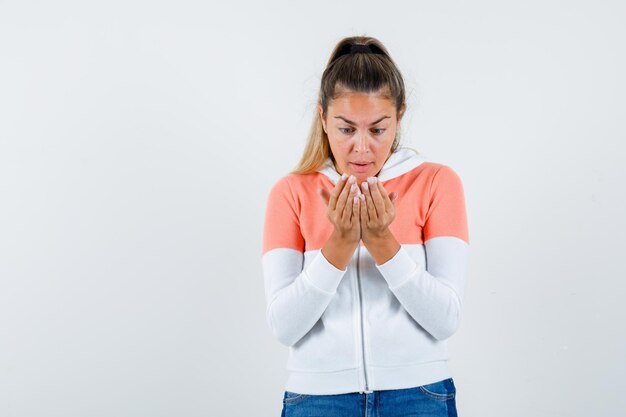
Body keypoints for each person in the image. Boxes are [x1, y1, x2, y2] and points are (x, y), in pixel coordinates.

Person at [261, 36, 469, 417]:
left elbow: (445, 319)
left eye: (377, 129)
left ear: (399, 116)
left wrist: (380, 241)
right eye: (345, 129)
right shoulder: (290, 193)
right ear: (323, 118)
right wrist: (339, 244)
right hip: (317, 399)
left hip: (419, 395)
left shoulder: (437, 183)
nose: (362, 148)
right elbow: (284, 327)